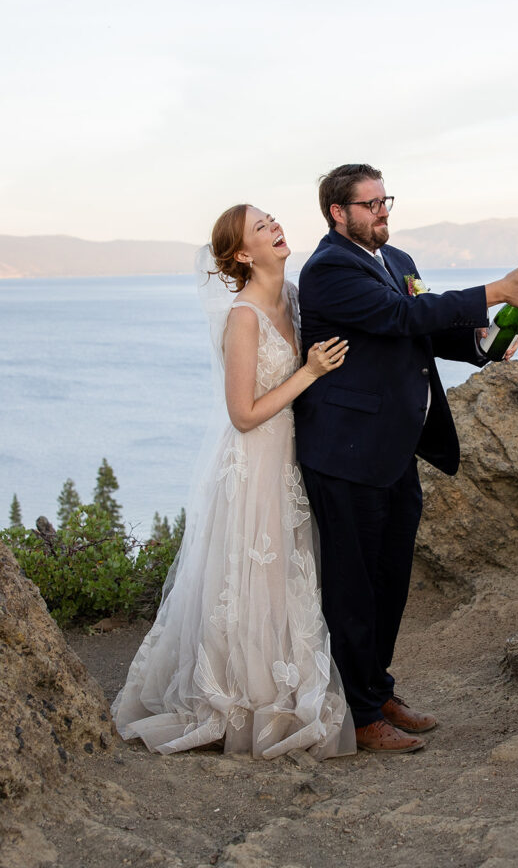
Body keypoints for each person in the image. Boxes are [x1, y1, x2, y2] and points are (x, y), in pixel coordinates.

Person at [295, 163, 518, 754]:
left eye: (387, 200)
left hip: (393, 448)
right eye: (371, 204)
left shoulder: (398, 261)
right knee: (353, 588)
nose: (384, 211)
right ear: (338, 212)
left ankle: (378, 691)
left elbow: (423, 331)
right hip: (344, 450)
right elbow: (400, 317)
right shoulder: (327, 268)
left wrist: (483, 342)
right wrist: (493, 292)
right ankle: (357, 716)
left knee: (391, 581)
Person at [112, 204, 356, 759]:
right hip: (257, 458)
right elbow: (243, 413)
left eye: (273, 219)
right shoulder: (243, 317)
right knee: (257, 578)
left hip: (297, 453)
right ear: (243, 253)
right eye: (262, 226)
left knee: (291, 575)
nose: (276, 227)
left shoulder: (294, 296)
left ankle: (285, 684)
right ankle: (245, 699)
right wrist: (310, 372)